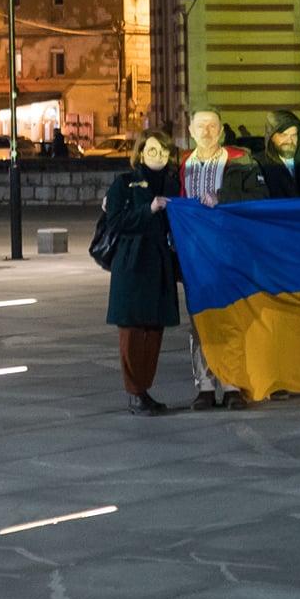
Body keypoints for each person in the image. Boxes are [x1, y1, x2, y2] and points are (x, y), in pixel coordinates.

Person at [104, 130, 182, 416]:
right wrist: (148, 210)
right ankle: (134, 391)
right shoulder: (124, 183)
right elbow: (115, 221)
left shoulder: (174, 184)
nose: (158, 157)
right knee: (133, 329)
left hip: (160, 264)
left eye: (163, 152)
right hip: (133, 264)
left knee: (154, 329)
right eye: (152, 151)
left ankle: (144, 389)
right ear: (140, 153)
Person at [181, 109, 249, 410]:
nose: (207, 131)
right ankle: (205, 386)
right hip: (195, 256)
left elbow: (257, 197)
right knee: (200, 323)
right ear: (191, 130)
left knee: (232, 320)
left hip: (231, 252)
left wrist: (224, 199)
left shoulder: (238, 160)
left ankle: (233, 384)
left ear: (221, 130)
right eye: (201, 126)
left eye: (212, 126)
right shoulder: (182, 164)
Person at [224, 109, 300, 200]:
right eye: (284, 135)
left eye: (294, 135)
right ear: (271, 137)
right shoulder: (257, 164)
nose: (289, 140)